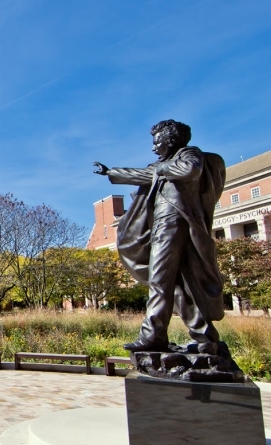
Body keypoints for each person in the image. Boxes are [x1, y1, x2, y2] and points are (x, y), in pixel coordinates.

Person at [93, 119, 226, 353]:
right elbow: (143, 174)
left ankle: (153, 335)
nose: (154, 147)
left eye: (157, 142)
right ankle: (204, 336)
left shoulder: (188, 154)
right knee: (176, 284)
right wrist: (110, 172)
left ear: (171, 141)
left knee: (160, 279)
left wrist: (161, 169)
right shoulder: (164, 164)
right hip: (165, 227)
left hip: (174, 224)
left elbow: (191, 170)